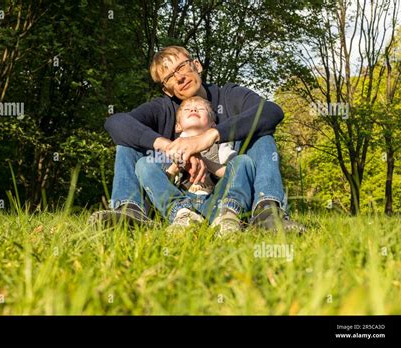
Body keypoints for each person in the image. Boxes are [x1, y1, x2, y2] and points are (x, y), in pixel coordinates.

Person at [89, 45, 304, 232]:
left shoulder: (228, 95)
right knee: (128, 141)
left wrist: (209, 137)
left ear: (197, 65)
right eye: (169, 77)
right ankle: (131, 212)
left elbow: (271, 111)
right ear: (167, 90)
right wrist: (170, 146)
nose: (179, 77)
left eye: (181, 67)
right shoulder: (162, 109)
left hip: (224, 198)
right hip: (172, 200)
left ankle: (267, 212)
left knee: (261, 133)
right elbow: (115, 122)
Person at [135, 95, 256, 236]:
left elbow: (232, 173)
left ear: (213, 124)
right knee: (143, 164)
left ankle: (228, 216)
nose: (193, 109)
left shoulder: (221, 144)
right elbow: (161, 182)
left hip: (215, 201)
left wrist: (205, 162)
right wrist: (178, 164)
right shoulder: (171, 148)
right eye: (187, 109)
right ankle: (183, 215)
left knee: (244, 161)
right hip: (183, 200)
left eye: (200, 109)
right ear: (178, 126)